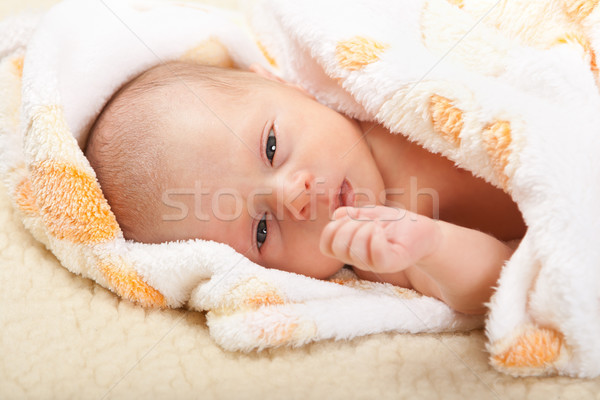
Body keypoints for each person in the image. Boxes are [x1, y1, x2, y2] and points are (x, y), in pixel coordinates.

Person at [85, 61, 526, 315]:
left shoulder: (369, 81)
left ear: (287, 86)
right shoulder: (377, 248)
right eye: (261, 230)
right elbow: (497, 281)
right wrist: (433, 247)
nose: (294, 196)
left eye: (272, 147)